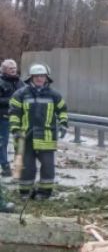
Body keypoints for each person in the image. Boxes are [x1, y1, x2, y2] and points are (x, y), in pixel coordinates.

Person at [8, 63, 68, 200]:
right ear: (31, 78)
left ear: (47, 78)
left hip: (46, 136)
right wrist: (16, 129)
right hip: (24, 136)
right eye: (37, 76)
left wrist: (63, 124)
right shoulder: (21, 94)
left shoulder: (54, 95)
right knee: (26, 167)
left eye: (42, 76)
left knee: (47, 166)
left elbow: (63, 110)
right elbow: (14, 114)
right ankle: (25, 192)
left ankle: (44, 193)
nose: (40, 79)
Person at [0, 59, 23, 177]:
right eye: (10, 69)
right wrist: (12, 100)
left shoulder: (20, 82)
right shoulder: (1, 82)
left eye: (14, 68)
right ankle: (5, 167)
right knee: (2, 143)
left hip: (18, 117)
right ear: (4, 70)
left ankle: (18, 167)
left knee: (19, 142)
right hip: (3, 117)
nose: (13, 70)